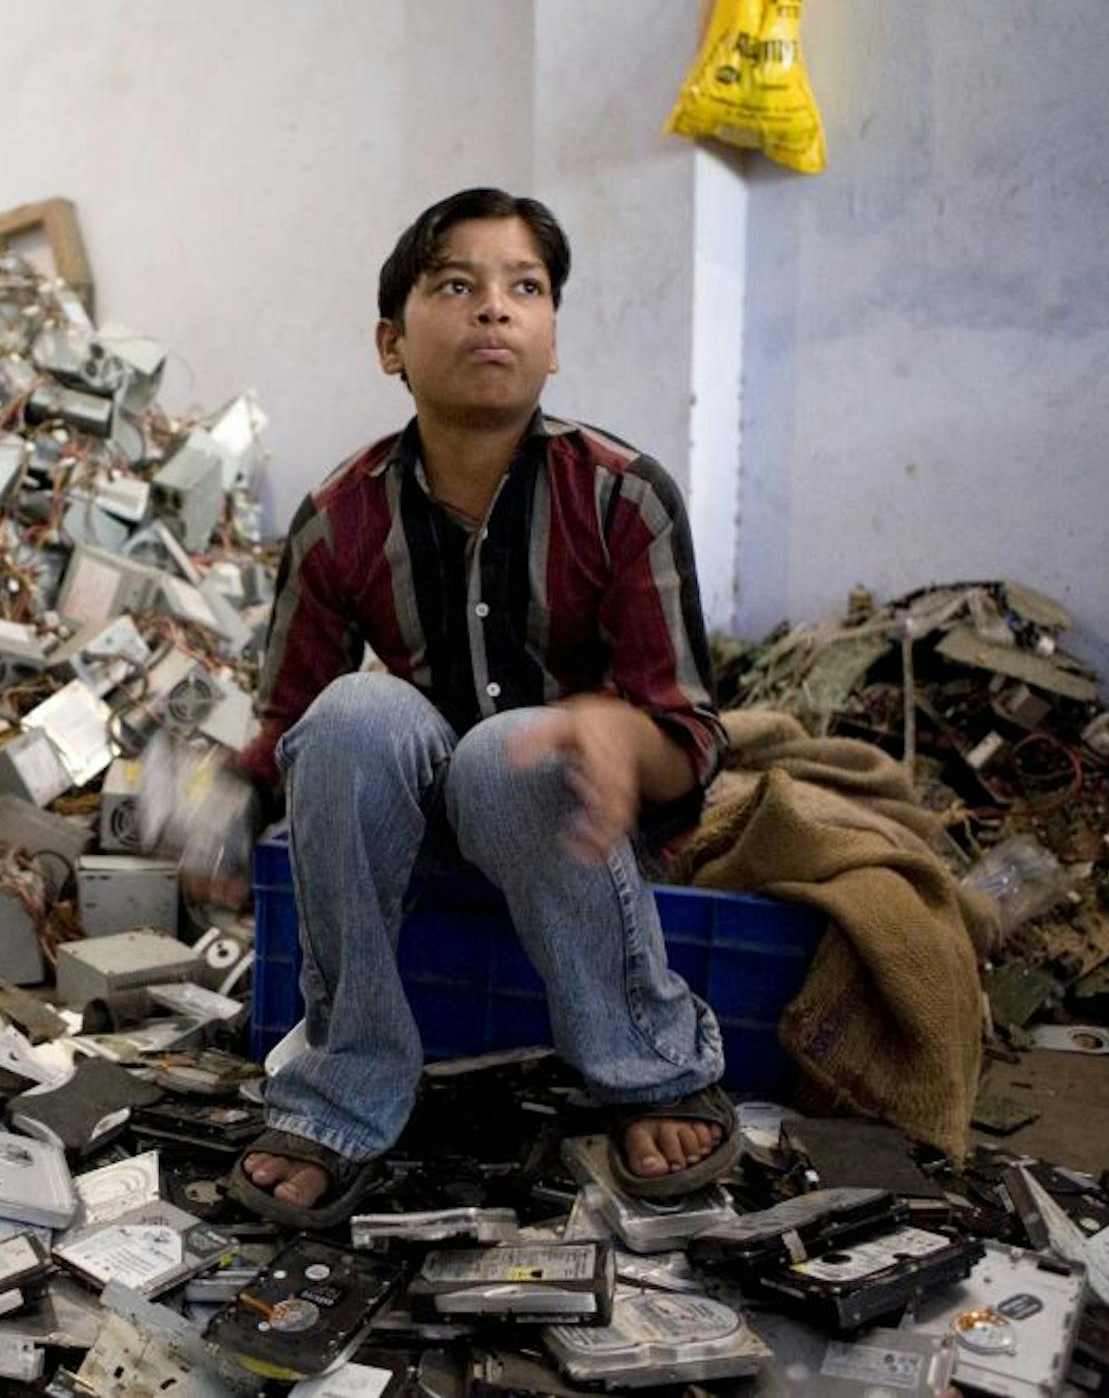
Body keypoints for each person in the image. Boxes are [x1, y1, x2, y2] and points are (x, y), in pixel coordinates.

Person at [227, 188, 737, 1227]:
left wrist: (617, 735)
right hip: (421, 833)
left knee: (513, 748)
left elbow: (692, 741)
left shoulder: (622, 497)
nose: (493, 310)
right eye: (455, 285)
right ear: (390, 344)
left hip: (580, 832)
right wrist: (215, 809)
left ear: (551, 341)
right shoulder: (340, 519)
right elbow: (291, 734)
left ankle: (649, 1065)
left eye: (525, 288)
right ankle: (341, 1090)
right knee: (352, 718)